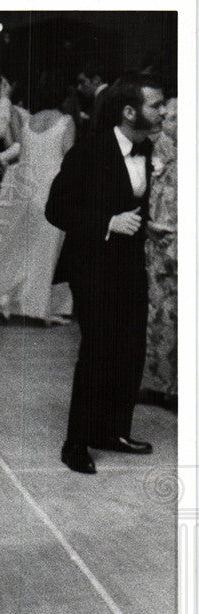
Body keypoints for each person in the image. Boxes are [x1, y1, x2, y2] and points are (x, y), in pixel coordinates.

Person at [46, 72, 166, 474]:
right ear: (129, 111)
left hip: (130, 265)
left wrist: (146, 225)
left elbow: (132, 200)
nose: (164, 110)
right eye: (156, 104)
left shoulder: (146, 149)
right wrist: (107, 222)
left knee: (130, 350)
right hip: (93, 267)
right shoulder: (89, 150)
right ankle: (75, 443)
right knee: (98, 351)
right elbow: (56, 209)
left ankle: (112, 431)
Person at [0, 70, 77, 323]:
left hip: (29, 195)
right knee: (45, 254)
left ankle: (13, 301)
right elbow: (70, 161)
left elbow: (24, 162)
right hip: (53, 196)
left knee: (20, 251)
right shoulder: (65, 122)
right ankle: (36, 307)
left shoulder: (29, 123)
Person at [139, 95, 177, 411]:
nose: (166, 124)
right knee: (158, 318)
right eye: (167, 118)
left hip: (177, 249)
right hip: (157, 248)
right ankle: (161, 384)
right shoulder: (158, 149)